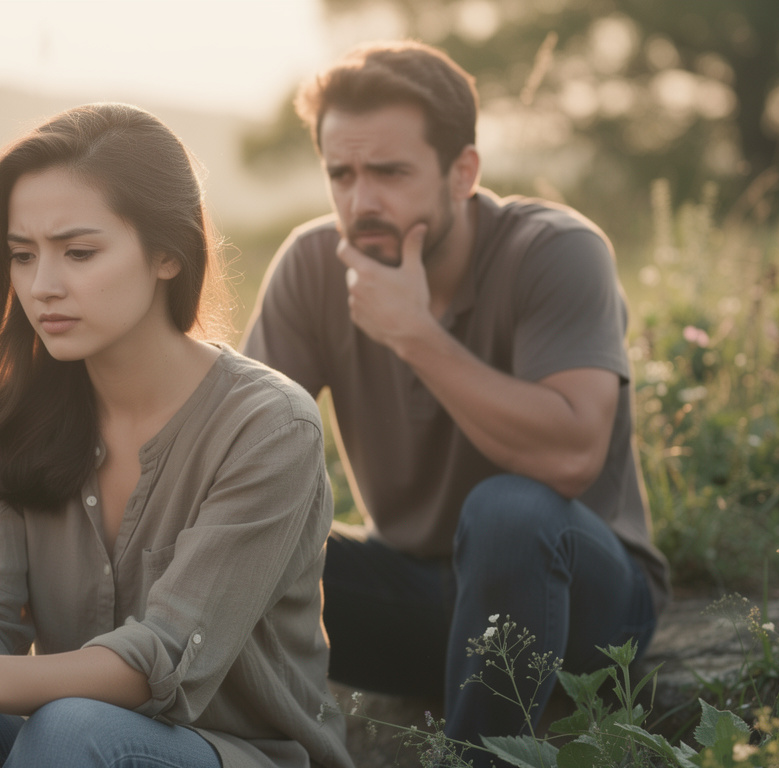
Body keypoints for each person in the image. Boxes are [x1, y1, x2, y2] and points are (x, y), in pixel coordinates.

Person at [0, 103, 352, 768]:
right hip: (68, 746)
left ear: (168, 255)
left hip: (241, 753)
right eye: (22, 256)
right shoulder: (7, 418)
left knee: (67, 729)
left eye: (79, 252)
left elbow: (165, 659)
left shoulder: (268, 426)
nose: (43, 286)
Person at [241, 41, 671, 765]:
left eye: (390, 173)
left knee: (509, 510)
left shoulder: (555, 251)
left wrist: (414, 334)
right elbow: (233, 450)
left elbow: (568, 456)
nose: (360, 201)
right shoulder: (315, 264)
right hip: (415, 597)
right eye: (340, 174)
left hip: (584, 605)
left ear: (462, 172)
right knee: (236, 541)